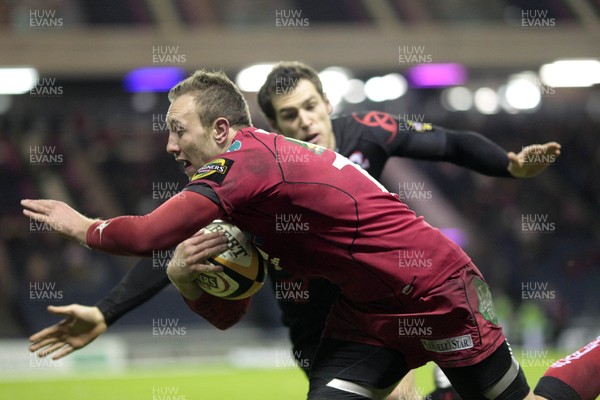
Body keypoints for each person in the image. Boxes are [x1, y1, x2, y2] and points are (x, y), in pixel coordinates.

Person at [22, 68, 586, 400]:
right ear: (272, 121)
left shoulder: (248, 163)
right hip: (359, 316)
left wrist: (83, 226)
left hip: (434, 293)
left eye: (177, 131)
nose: (169, 146)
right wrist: (176, 285)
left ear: (223, 129)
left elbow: (147, 233)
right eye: (289, 114)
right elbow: (213, 297)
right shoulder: (245, 184)